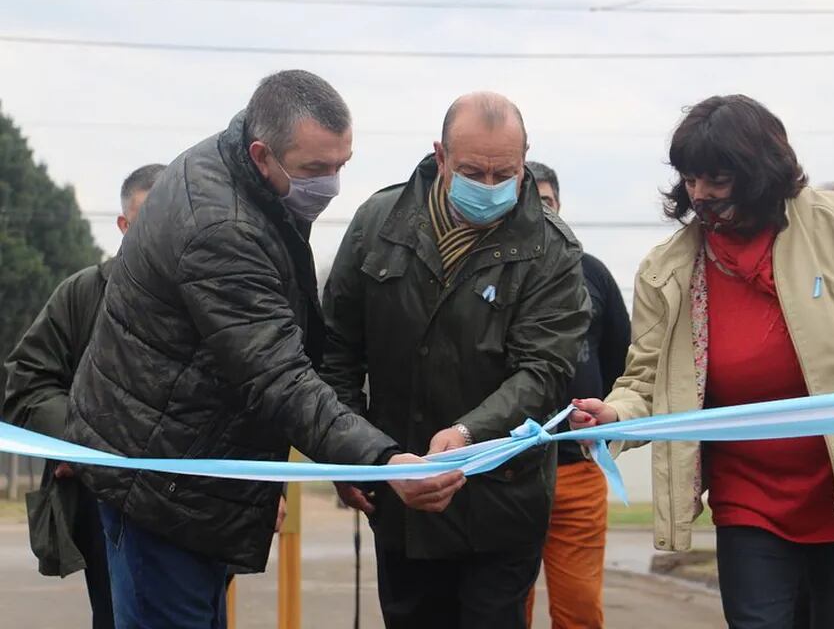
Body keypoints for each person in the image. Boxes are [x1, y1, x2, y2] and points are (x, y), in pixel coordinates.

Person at [62, 70, 465, 629]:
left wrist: (344, 454)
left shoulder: (238, 177)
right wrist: (379, 458)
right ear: (262, 153)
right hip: (162, 487)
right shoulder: (220, 227)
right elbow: (276, 374)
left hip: (187, 470)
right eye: (314, 170)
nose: (330, 185)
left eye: (341, 165)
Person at [571, 94, 834, 628]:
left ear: (761, 171)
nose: (701, 196)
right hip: (747, 497)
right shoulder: (667, 269)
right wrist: (613, 416)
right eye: (691, 181)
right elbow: (644, 379)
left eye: (717, 180)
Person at [320, 92, 591, 629]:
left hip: (503, 499)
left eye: (504, 173)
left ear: (524, 158)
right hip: (401, 490)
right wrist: (351, 456)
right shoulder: (380, 223)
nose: (489, 187)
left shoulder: (552, 250)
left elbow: (544, 372)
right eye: (472, 171)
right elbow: (337, 350)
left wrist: (469, 434)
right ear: (440, 156)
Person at [2, 164, 163, 628]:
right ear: (123, 225)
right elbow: (28, 380)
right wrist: (76, 439)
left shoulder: (210, 297)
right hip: (104, 498)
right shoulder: (82, 295)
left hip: (195, 502)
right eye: (144, 221)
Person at [523, 161, 630, 629]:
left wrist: (603, 417)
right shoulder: (488, 275)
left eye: (546, 202)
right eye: (529, 203)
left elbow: (623, 365)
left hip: (578, 472)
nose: (540, 212)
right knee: (502, 608)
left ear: (559, 205)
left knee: (580, 609)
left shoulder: (594, 275)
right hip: (506, 476)